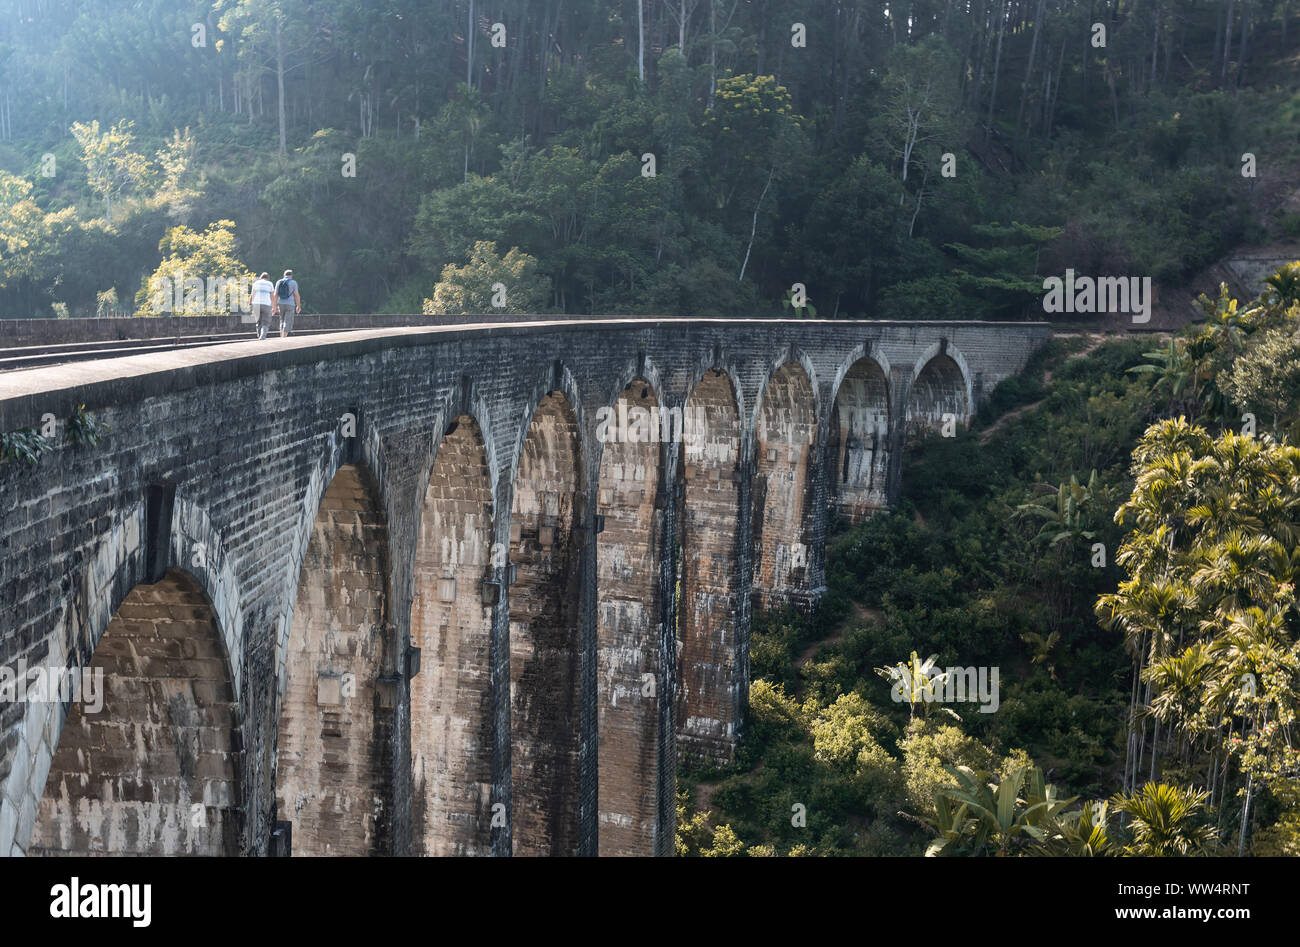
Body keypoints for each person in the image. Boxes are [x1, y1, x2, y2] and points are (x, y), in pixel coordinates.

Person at [273, 269, 301, 337]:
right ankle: (284, 337)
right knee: (287, 321)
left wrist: (274, 306)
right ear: (291, 275)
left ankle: (281, 336)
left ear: (284, 275)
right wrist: (298, 306)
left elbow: (275, 295)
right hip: (290, 304)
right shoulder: (293, 282)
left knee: (282, 320)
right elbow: (296, 295)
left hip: (280, 303)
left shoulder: (279, 282)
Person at [249, 272, 275, 339]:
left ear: (260, 277)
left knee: (258, 321)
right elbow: (272, 296)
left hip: (256, 304)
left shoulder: (256, 283)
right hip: (266, 304)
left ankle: (259, 335)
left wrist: (250, 304)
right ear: (268, 278)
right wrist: (274, 307)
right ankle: (262, 336)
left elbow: (252, 295)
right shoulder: (270, 284)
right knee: (265, 322)